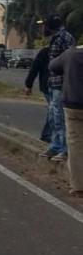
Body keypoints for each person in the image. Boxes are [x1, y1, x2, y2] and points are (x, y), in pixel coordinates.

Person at [49, 44, 83, 197]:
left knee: (75, 145)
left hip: (73, 104)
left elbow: (53, 66)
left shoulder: (70, 53)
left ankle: (78, 186)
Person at [41, 14, 76, 162]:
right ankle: (55, 146)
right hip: (53, 83)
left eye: (45, 25)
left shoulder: (65, 37)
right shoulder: (57, 37)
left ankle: (64, 149)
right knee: (53, 116)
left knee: (60, 116)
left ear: (51, 26)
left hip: (61, 83)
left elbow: (71, 61)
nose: (43, 28)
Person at [25, 47, 51, 143]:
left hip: (48, 85)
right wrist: (28, 84)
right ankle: (47, 134)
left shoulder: (44, 52)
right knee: (54, 109)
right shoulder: (45, 52)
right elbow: (34, 68)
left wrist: (28, 84)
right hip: (49, 85)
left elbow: (34, 68)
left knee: (55, 109)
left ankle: (49, 134)